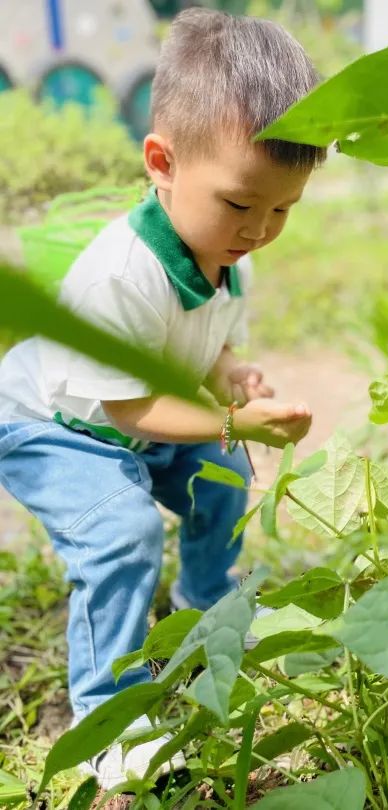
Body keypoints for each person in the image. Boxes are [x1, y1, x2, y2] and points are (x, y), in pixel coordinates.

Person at [0, 8, 325, 788]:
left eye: (283, 209)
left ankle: (207, 605)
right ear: (162, 162)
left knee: (221, 477)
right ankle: (108, 718)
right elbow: (133, 411)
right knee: (122, 533)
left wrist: (231, 372)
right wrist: (232, 418)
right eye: (241, 204)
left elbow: (206, 338)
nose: (259, 229)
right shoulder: (122, 269)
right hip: (55, 426)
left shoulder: (224, 250)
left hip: (139, 421)